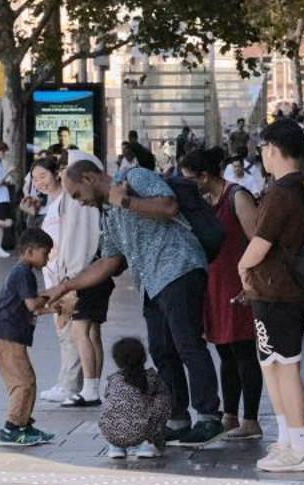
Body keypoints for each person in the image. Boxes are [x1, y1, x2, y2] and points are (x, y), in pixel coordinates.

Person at [46, 159, 225, 448]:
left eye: (77, 195)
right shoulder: (109, 215)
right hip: (150, 284)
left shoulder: (135, 177)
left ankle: (208, 417)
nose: (79, 203)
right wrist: (65, 286)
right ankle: (177, 419)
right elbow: (110, 261)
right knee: (161, 350)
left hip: (179, 267)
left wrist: (125, 200)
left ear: (90, 178)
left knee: (187, 343)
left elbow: (168, 205)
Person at [240, 119, 304, 472]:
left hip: (275, 290)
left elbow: (260, 245)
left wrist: (242, 268)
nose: (262, 157)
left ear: (272, 149)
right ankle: (287, 440)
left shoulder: (280, 192)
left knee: (283, 366)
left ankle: (300, 445)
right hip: (291, 288)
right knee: (274, 363)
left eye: (263, 150)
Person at [181, 148, 264, 441]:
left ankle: (251, 419)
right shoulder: (204, 201)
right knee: (224, 351)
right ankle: (230, 414)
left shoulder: (237, 196)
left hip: (238, 281)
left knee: (243, 351)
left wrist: (252, 282)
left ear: (205, 176)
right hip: (213, 283)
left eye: (190, 178)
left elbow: (257, 239)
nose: (187, 184)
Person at [34, 153, 107, 408]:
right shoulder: (67, 202)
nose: (39, 182)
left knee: (77, 332)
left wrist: (68, 277)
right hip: (79, 273)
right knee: (88, 332)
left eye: (43, 175)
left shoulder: (73, 203)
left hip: (79, 274)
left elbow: (73, 239)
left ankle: (81, 387)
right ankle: (90, 386)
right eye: (34, 179)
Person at [0, 227, 58, 448]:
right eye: (45, 253)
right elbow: (32, 304)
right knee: (22, 383)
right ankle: (11, 429)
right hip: (7, 336)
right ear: (30, 251)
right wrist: (53, 295)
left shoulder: (24, 272)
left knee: (29, 381)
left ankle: (24, 425)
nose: (47, 259)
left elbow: (32, 309)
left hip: (10, 335)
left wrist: (54, 309)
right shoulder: (23, 273)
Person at [99, 337, 173, 460]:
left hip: (110, 432)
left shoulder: (113, 379)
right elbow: (163, 404)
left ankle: (116, 447)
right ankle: (145, 443)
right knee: (162, 397)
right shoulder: (151, 378)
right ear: (143, 358)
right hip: (141, 431)